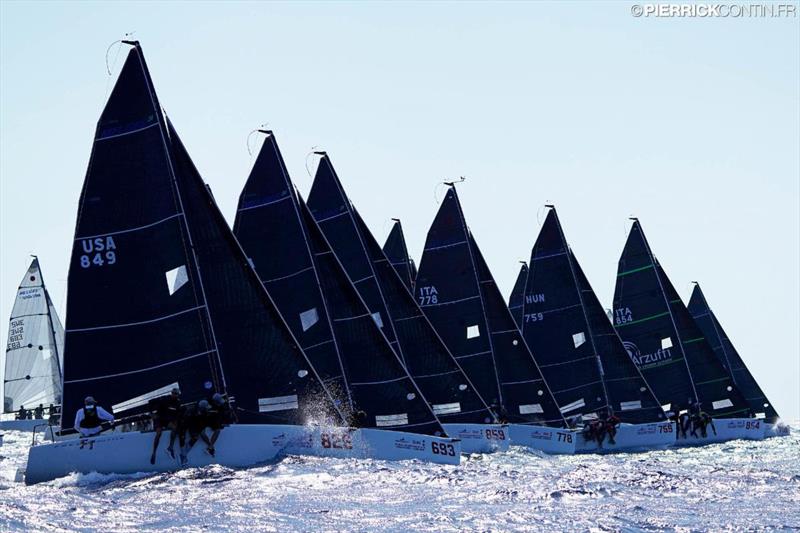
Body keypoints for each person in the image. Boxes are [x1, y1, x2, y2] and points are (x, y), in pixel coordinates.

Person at [149, 388, 184, 465]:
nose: (175, 395)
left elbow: (178, 414)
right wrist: (151, 413)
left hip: (167, 420)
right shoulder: (164, 399)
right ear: (171, 393)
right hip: (159, 419)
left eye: (176, 394)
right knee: (159, 433)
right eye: (174, 393)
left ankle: (170, 448)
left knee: (174, 428)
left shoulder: (178, 403)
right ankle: (154, 453)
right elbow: (151, 402)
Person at [180, 400, 215, 465]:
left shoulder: (202, 413)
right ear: (203, 408)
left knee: (196, 436)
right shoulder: (195, 413)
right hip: (186, 423)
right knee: (191, 436)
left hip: (193, 422)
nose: (208, 409)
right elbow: (202, 433)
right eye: (206, 408)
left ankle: (183, 454)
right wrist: (210, 445)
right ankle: (183, 454)